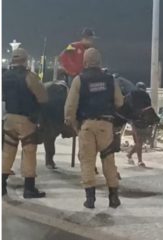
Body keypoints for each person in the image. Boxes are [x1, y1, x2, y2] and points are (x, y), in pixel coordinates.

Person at [64, 48, 124, 209]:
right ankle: (113, 197)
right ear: (100, 62)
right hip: (106, 125)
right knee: (108, 160)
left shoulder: (79, 80)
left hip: (87, 125)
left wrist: (71, 122)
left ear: (85, 62)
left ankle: (90, 198)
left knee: (87, 161)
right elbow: (119, 102)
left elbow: (70, 106)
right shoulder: (111, 80)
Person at [2, 48, 48, 198]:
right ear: (25, 60)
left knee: (7, 152)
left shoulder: (4, 76)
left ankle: (2, 185)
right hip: (26, 120)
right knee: (29, 152)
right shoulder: (29, 77)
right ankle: (29, 188)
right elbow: (43, 97)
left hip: (9, 118)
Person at [126, 82, 152, 167]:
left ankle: (129, 155)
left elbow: (127, 106)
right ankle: (140, 161)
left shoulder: (131, 94)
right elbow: (149, 107)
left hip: (134, 119)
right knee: (140, 141)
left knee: (138, 141)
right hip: (142, 120)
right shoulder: (146, 95)